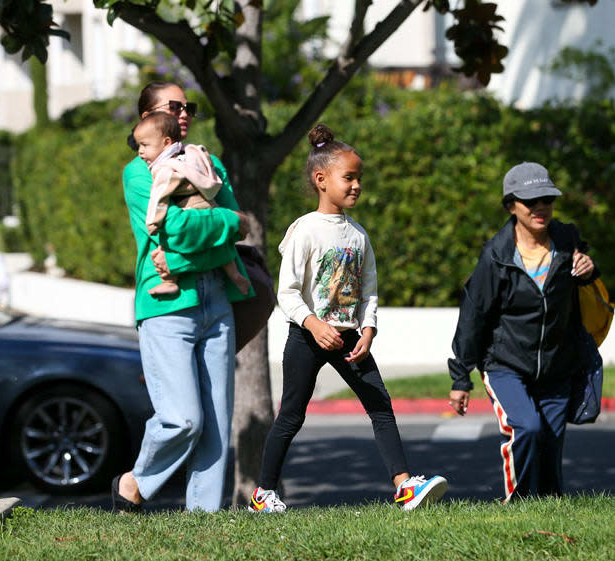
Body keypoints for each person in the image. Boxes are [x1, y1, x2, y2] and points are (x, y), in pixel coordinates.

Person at [250, 124, 448, 513]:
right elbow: (287, 292)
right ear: (321, 180)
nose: (357, 185)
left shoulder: (358, 235)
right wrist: (313, 324)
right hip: (307, 339)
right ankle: (264, 494)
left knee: (380, 405)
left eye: (360, 178)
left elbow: (369, 288)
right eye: (349, 177)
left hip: (349, 339)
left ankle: (405, 486)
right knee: (291, 415)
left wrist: (369, 329)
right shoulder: (304, 230)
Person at [112, 81, 255, 513]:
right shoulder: (139, 171)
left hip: (218, 300)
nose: (184, 111)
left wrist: (223, 228)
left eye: (187, 105)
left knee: (216, 425)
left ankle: (204, 523)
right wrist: (223, 230)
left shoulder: (207, 161)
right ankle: (134, 482)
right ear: (147, 118)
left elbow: (239, 220)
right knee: (183, 418)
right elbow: (176, 230)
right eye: (173, 106)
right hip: (165, 307)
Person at [448, 162, 597, 502]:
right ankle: (516, 505)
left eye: (546, 198)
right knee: (526, 428)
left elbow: (587, 276)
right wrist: (461, 378)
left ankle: (548, 512)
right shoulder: (496, 257)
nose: (540, 207)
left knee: (550, 443)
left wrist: (589, 267)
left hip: (558, 367)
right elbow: (473, 316)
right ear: (511, 205)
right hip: (505, 365)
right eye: (530, 201)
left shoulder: (566, 239)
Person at [132, 111, 251, 296]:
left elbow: (160, 199)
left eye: (144, 145)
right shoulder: (192, 155)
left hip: (190, 205)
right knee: (221, 241)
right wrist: (230, 219)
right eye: (174, 106)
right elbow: (233, 223)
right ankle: (235, 276)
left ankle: (170, 281)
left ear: (166, 142)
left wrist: (153, 221)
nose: (140, 151)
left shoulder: (164, 168)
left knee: (165, 243)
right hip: (209, 203)